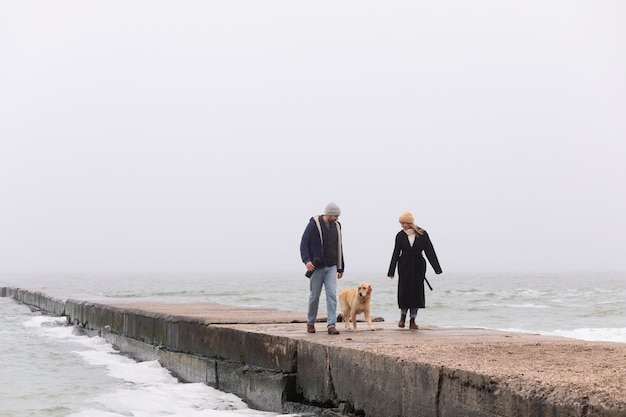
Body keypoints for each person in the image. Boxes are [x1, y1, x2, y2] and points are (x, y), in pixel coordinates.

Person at [387, 211, 442, 330]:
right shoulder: (400, 235)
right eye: (401, 223)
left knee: (416, 293)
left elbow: (429, 251)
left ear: (410, 223)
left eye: (404, 223)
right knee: (404, 292)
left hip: (418, 266)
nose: (403, 226)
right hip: (404, 266)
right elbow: (396, 253)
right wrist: (391, 270)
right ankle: (402, 317)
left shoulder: (422, 234)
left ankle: (413, 320)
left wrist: (436, 268)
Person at [300, 202, 344, 335]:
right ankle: (310, 322)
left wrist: (341, 267)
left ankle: (331, 325)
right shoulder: (314, 224)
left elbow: (339, 246)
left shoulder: (337, 226)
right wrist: (306, 260)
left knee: (331, 294)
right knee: (314, 296)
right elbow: (304, 244)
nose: (337, 218)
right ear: (329, 214)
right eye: (335, 215)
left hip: (332, 266)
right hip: (317, 266)